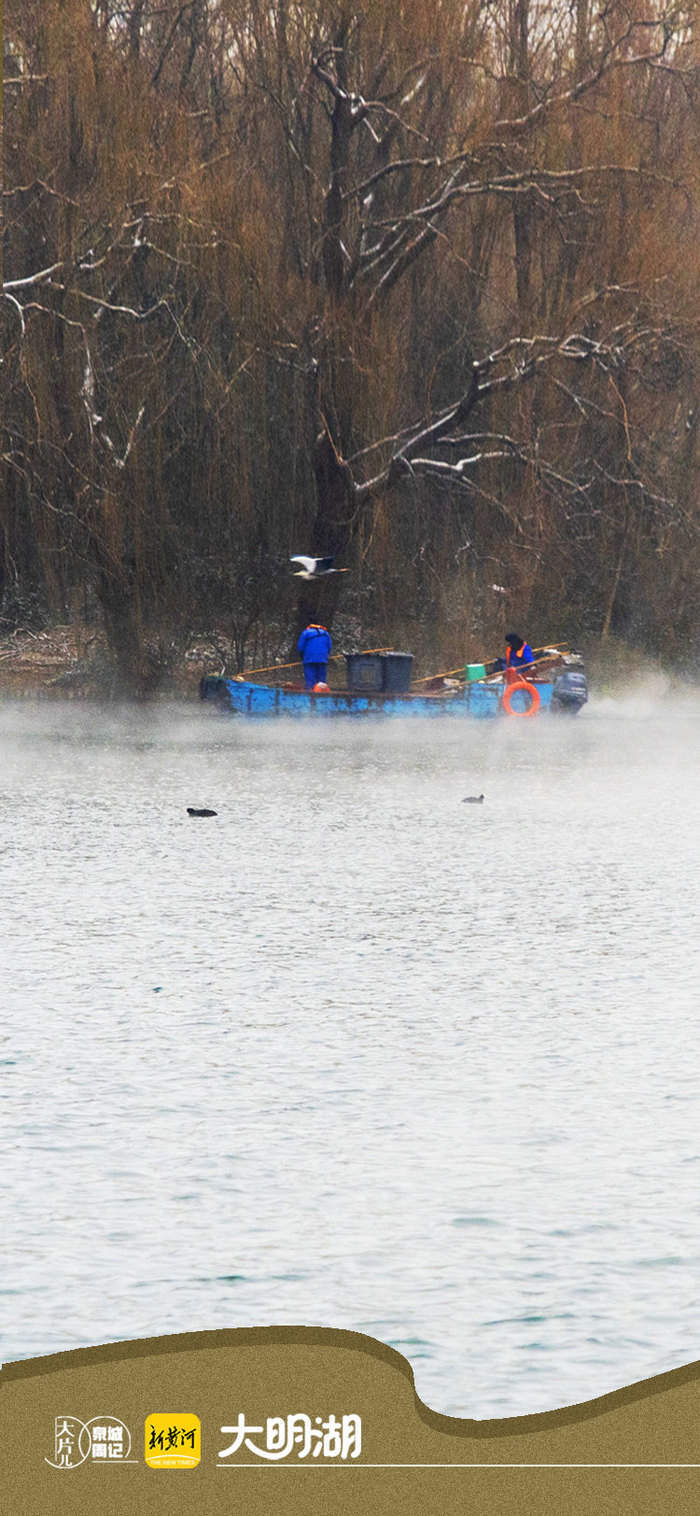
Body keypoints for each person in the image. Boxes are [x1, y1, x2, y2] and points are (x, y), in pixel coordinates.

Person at [297, 622, 332, 689]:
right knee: (322, 680)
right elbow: (329, 646)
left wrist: (301, 656)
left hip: (309, 658)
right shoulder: (326, 633)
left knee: (310, 679)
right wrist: (325, 655)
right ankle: (322, 694)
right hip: (322, 659)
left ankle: (310, 693)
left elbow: (301, 647)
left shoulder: (306, 633)